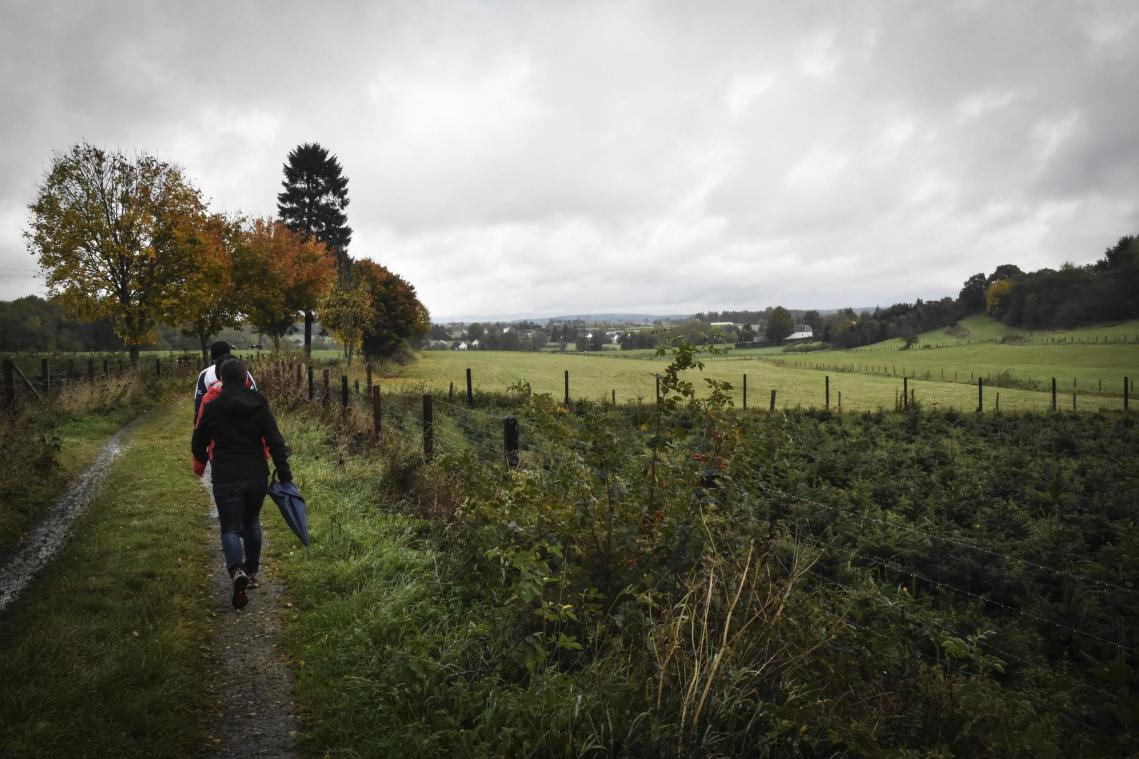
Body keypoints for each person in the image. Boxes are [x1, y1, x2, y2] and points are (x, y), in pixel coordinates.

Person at [192, 357, 291, 609]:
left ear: (221, 379)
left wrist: (203, 459)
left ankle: (237, 571)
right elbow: (275, 440)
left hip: (226, 474)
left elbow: (198, 441)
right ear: (246, 378)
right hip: (256, 473)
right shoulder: (259, 404)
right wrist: (284, 471)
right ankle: (253, 572)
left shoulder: (213, 407)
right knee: (251, 522)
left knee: (229, 528)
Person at [194, 341, 257, 423]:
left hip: (214, 421)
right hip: (241, 420)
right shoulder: (242, 370)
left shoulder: (205, 374)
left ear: (213, 357)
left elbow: (199, 402)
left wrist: (198, 423)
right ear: (229, 353)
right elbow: (254, 393)